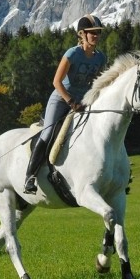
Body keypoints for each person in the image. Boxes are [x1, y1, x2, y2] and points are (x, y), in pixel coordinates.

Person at [24, 14, 107, 194]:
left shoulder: (101, 58)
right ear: (82, 34)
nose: (96, 36)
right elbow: (56, 82)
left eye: (98, 33)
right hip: (62, 99)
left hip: (83, 102)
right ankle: (30, 177)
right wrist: (71, 102)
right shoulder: (72, 54)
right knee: (47, 134)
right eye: (92, 33)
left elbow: (97, 83)